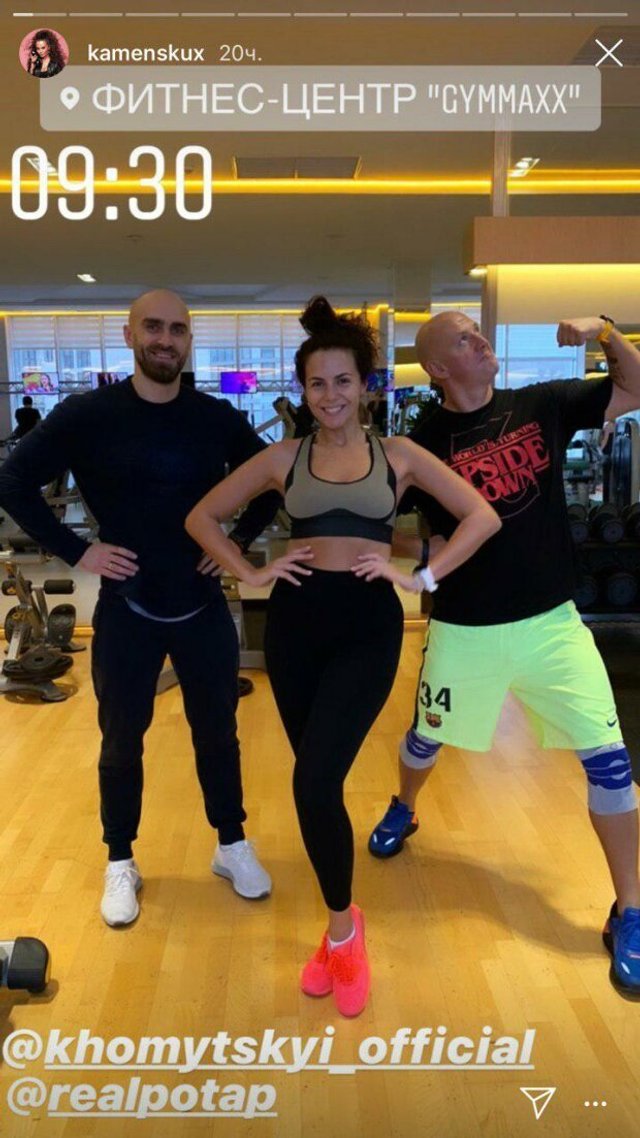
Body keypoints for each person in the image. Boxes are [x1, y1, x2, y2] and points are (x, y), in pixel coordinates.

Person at [186, 297, 500, 1016]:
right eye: (317, 383)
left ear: (365, 386)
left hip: (367, 628)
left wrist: (419, 575)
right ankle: (342, 929)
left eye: (343, 381)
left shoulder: (400, 456)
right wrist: (251, 570)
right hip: (295, 625)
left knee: (313, 780)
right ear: (303, 390)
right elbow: (201, 517)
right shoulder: (283, 457)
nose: (330, 395)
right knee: (317, 788)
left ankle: (342, 934)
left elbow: (480, 517)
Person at [368, 310, 640, 998]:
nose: (482, 341)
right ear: (438, 368)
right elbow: (369, 519)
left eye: (477, 333)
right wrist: (418, 551)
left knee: (611, 764)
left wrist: (607, 332)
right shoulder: (422, 443)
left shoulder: (541, 404)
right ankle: (404, 806)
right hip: (465, 628)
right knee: (425, 740)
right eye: (465, 338)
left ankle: (630, 911)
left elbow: (635, 388)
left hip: (553, 624)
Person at [0, 289, 280, 927]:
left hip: (202, 604)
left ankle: (231, 843)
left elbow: (271, 481)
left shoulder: (214, 417)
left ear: (189, 342)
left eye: (177, 330)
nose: (165, 339)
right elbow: (11, 480)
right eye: (153, 327)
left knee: (219, 733)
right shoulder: (87, 414)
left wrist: (235, 544)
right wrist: (79, 550)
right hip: (128, 607)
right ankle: (120, 858)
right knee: (122, 741)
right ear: (130, 335)